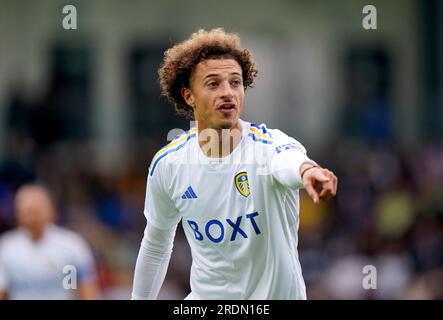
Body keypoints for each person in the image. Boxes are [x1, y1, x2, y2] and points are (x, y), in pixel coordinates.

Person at [131, 28, 338, 300]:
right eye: (213, 84)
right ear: (188, 95)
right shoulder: (168, 165)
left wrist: (307, 171)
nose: (228, 93)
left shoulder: (269, 146)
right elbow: (157, 244)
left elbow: (288, 161)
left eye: (236, 82)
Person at [0, 183, 101, 299]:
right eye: (27, 212)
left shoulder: (71, 246)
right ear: (17, 213)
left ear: (51, 210)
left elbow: (85, 290)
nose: (32, 218)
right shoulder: (6, 248)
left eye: (36, 211)